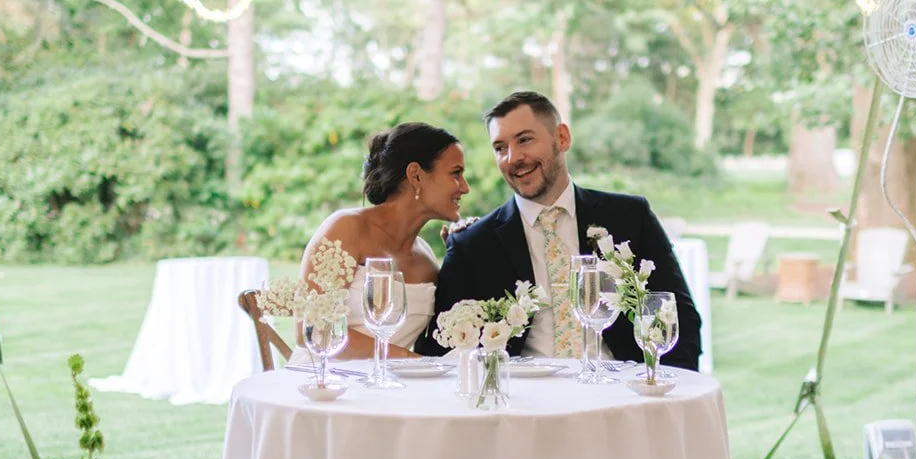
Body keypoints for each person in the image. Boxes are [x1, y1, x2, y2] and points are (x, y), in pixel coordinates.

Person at [417, 90, 701, 368]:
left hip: (619, 394)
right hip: (523, 405)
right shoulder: (472, 244)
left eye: (525, 140)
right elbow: (442, 348)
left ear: (562, 137)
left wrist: (661, 396)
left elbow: (679, 318)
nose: (513, 158)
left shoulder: (630, 217)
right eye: (500, 148)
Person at [298, 123, 469, 357]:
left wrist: (464, 252)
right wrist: (410, 361)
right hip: (323, 385)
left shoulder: (427, 260)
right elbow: (312, 328)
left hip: (393, 389)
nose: (465, 187)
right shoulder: (346, 229)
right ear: (416, 175)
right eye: (456, 173)